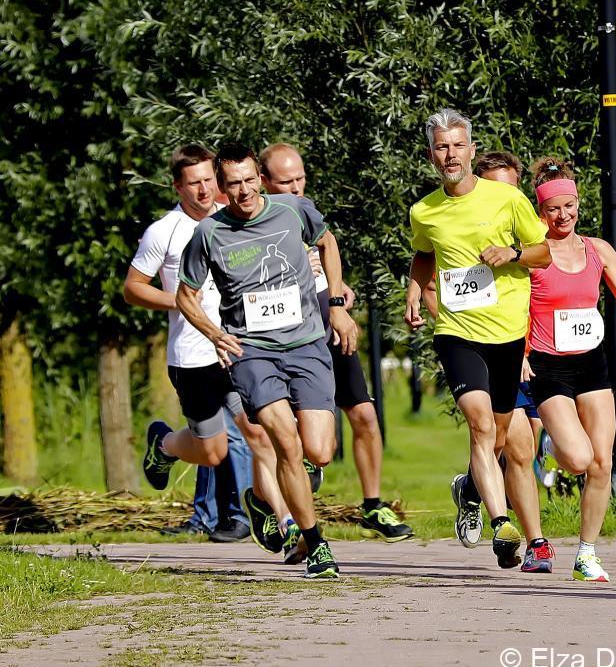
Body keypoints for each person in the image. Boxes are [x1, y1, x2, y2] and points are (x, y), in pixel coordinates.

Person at [174, 142, 359, 578]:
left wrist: (336, 305)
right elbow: (185, 295)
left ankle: (259, 498)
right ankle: (316, 544)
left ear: (260, 177)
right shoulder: (209, 234)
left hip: (307, 343)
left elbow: (328, 243)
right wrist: (215, 334)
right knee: (286, 444)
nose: (244, 191)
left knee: (320, 451)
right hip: (252, 352)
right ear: (222, 188)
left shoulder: (293, 210)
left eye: (249, 180)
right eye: (233, 184)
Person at [404, 109, 551, 569]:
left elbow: (544, 253)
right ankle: (502, 525)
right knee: (482, 426)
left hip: (507, 334)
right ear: (431, 155)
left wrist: (513, 253)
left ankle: (468, 489)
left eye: (457, 145)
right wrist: (414, 290)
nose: (450, 155)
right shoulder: (424, 211)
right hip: (457, 332)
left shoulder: (506, 198)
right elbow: (423, 254)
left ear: (471, 150)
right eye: (441, 147)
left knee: (498, 436)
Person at [124, 144, 283, 544]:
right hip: (192, 356)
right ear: (177, 187)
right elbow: (133, 288)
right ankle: (164, 444)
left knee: (259, 433)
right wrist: (181, 301)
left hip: (236, 349)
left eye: (209, 180)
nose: (204, 190)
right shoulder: (164, 231)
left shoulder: (234, 218)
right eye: (194, 183)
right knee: (212, 452)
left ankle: (276, 518)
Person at [260, 142, 413, 542]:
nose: (296, 187)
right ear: (263, 182)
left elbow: (331, 263)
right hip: (286, 339)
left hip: (327, 327)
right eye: (286, 182)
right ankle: (279, 513)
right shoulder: (256, 222)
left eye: (300, 178)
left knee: (364, 414)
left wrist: (339, 298)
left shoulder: (306, 212)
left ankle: (373, 505)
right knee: (297, 438)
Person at [527, 158, 616, 581]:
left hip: (591, 363)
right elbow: (514, 309)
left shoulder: (597, 250)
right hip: (547, 364)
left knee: (601, 461)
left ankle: (586, 554)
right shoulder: (534, 254)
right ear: (541, 211)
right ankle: (552, 446)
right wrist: (520, 355)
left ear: (578, 204)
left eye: (569, 206)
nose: (563, 216)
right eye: (553, 209)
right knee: (579, 458)